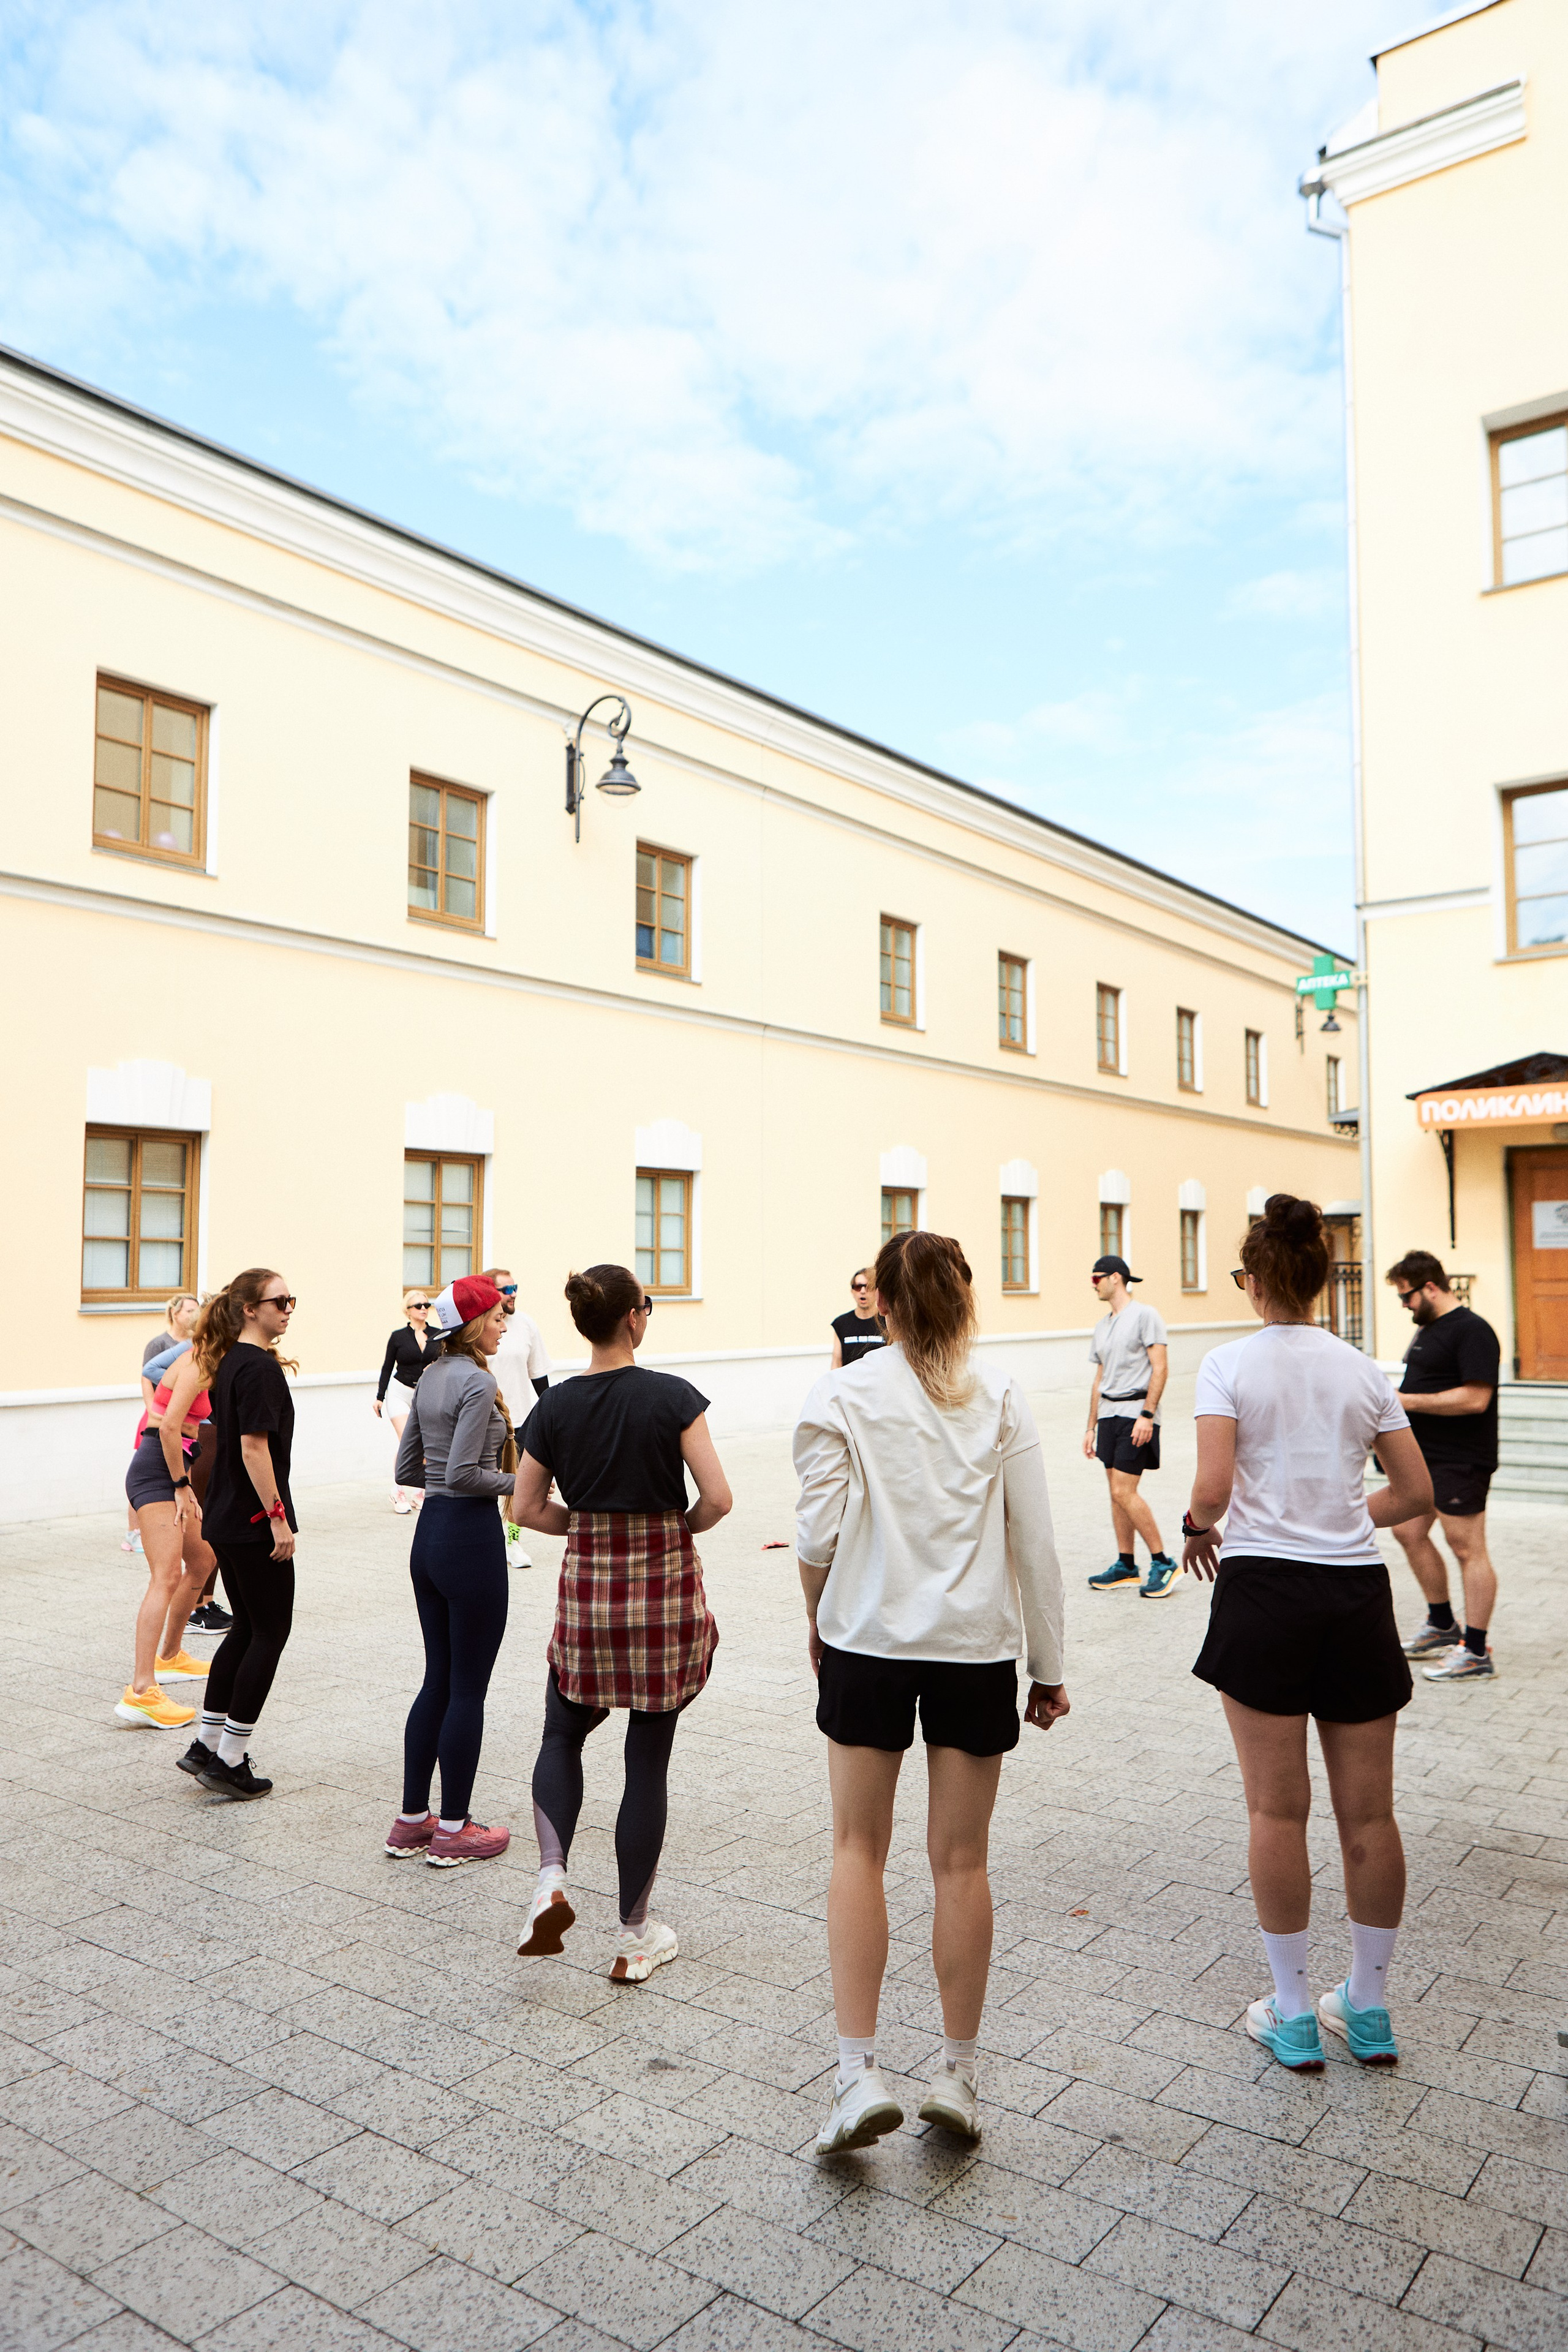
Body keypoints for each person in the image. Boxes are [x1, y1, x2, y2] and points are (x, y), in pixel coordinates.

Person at [794, 1230, 1069, 2154]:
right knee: (962, 1863)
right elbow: (1035, 1539)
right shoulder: (999, 1394)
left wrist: (816, 1620)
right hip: (974, 1649)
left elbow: (817, 1537)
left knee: (855, 1850)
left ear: (885, 1304)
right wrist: (1050, 1666)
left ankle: (855, 2072)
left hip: (867, 1640)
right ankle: (958, 2074)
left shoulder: (843, 1392)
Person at [1183, 1194, 1433, 2073]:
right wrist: (1341, 1512)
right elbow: (1416, 1494)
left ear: (1255, 1285)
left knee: (1274, 1808)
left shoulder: (1226, 1365)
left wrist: (1192, 1525)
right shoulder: (1366, 1372)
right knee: (1370, 1811)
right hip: (1355, 1594)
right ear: (1324, 1282)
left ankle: (1290, 2011)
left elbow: (1212, 1490)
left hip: (1264, 1594)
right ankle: (1367, 2007)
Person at [510, 1264, 732, 1982]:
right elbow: (719, 1498)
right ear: (634, 1318)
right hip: (662, 1591)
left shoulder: (555, 1409)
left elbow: (525, 1509)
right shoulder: (673, 1398)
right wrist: (673, 1527)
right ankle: (634, 1936)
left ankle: (549, 1876)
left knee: (561, 1730)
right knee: (647, 1758)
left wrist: (586, 1524)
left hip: (589, 1590)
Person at [385, 1275, 517, 1867]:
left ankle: (413, 1821)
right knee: (468, 1687)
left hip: (429, 1535)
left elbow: (408, 1466)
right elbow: (467, 1475)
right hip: (469, 1536)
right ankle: (456, 1829)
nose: (504, 1325)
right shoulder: (476, 1380)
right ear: (471, 1325)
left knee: (437, 1679)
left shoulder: (432, 1375)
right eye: (496, 1317)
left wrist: (449, 1472)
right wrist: (525, 1483)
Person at [167, 1270, 299, 1798]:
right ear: (250, 1308)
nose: (289, 1308)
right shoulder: (259, 1369)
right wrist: (277, 1516)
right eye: (280, 1301)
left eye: (293, 1299)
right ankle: (230, 1758)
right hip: (250, 1522)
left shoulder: (229, 1364)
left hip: (224, 1517)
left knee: (245, 1628)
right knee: (270, 1632)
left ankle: (206, 1743)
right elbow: (252, 1448)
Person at [1383, 1252, 1502, 1683]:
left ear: (1430, 1287)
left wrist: (1405, 1401)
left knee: (1466, 1546)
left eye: (1407, 1296)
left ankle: (1475, 1650)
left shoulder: (1473, 1330)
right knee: (1407, 1531)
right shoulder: (1429, 1330)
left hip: (1460, 1457)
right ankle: (1441, 1625)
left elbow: (1476, 1399)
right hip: (1423, 1455)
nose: (1404, 1305)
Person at [113, 1346, 219, 1732]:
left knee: (204, 1560)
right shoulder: (196, 1361)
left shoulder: (206, 1361)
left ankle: (170, 1657)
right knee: (166, 1575)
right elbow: (170, 1427)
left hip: (173, 1467)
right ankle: (141, 1690)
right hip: (158, 1470)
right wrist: (179, 1484)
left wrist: (185, 1481)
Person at [1083, 1254, 1180, 1597]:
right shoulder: (1103, 1324)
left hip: (1136, 1413)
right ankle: (1126, 1565)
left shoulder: (1146, 1316)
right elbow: (1099, 1378)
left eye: (1096, 1279)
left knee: (1124, 1491)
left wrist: (1148, 1415)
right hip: (1109, 1415)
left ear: (1116, 1278)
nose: (1092, 1285)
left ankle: (1164, 1562)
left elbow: (1161, 1367)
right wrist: (1091, 1426)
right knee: (1116, 1495)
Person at [483, 1266, 553, 1568]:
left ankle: (512, 1542)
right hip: (484, 1422)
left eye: (515, 1288)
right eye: (506, 1290)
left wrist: (550, 1415)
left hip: (520, 1423)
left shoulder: (526, 1324)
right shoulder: (479, 1328)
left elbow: (539, 1376)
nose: (513, 1295)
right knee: (485, 1485)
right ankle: (487, 1541)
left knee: (517, 1488)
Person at [121, 1295, 199, 1555]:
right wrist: (152, 1408)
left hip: (179, 1416)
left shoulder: (191, 1345)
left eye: (196, 1310)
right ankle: (134, 1532)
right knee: (148, 1470)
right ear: (175, 1314)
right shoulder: (161, 1343)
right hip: (160, 1414)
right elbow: (147, 1374)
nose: (193, 1314)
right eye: (188, 1310)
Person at [375, 1289, 443, 1513]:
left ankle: (421, 1492)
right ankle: (398, 1491)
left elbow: (445, 1362)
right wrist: (379, 1397)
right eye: (418, 1306)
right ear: (408, 1311)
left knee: (425, 1442)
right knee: (407, 1440)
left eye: (427, 1305)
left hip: (425, 1394)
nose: (424, 1309)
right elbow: (387, 1367)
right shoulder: (398, 1337)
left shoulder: (437, 1335)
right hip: (399, 1392)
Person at [830, 1268, 888, 1369]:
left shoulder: (887, 1320)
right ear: (852, 1291)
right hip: (850, 1383)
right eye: (858, 1287)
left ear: (876, 1291)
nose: (862, 1291)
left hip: (878, 1383)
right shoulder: (841, 1323)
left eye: (868, 1287)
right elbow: (836, 1361)